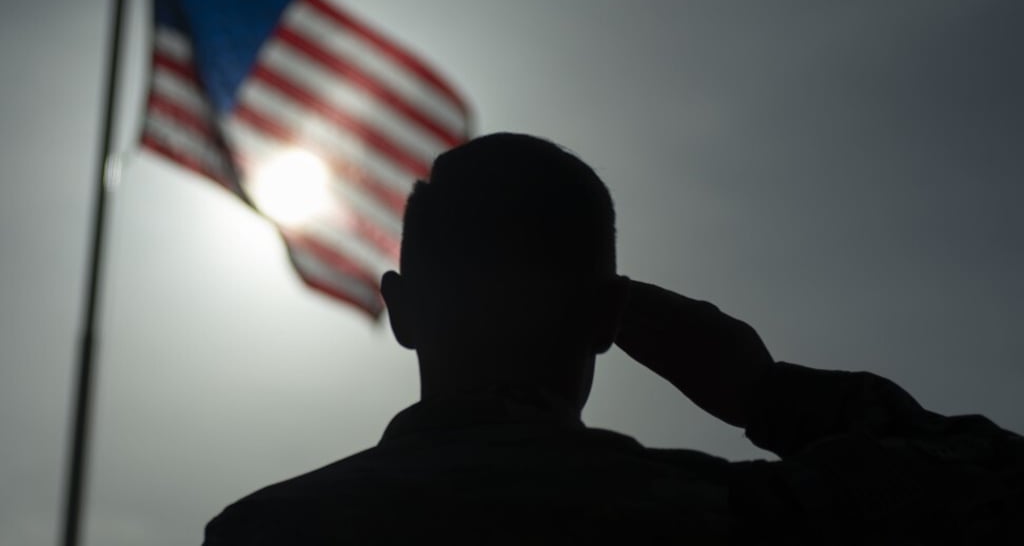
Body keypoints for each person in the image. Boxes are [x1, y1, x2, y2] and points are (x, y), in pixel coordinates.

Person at [204, 133, 1023, 544]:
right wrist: (769, 395)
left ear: (403, 310)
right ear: (611, 320)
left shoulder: (263, 533)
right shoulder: (730, 514)